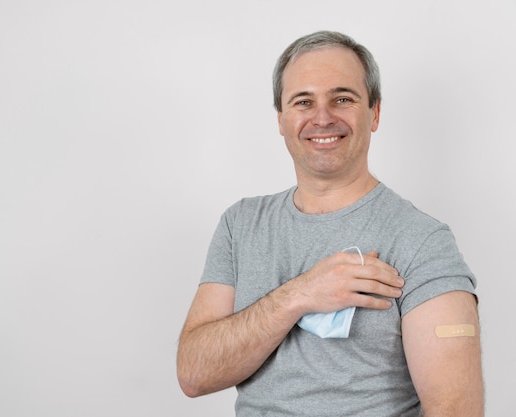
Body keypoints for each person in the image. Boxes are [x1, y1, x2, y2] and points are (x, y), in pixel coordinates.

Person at [176, 31, 484, 416]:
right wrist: (301, 294)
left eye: (342, 99)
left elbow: (456, 409)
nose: (322, 118)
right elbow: (194, 374)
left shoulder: (421, 241)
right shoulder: (241, 225)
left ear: (374, 113)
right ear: (282, 120)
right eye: (303, 101)